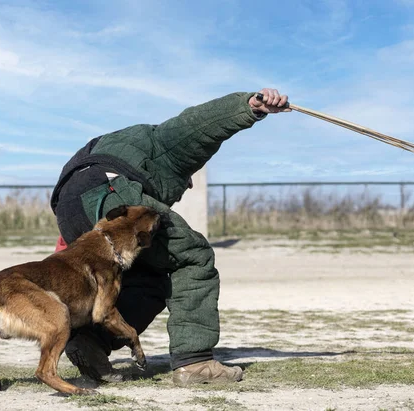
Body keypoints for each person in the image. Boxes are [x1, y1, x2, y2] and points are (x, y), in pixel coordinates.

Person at [50, 88, 291, 386]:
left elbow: (80, 196)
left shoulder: (119, 144)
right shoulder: (165, 142)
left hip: (70, 204)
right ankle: (196, 363)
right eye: (186, 180)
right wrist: (249, 106)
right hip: (112, 191)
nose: (186, 187)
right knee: (192, 256)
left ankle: (91, 341)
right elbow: (200, 123)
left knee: (151, 275)